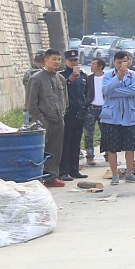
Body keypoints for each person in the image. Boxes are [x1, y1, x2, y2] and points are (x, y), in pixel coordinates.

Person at [99, 50, 135, 185]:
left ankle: (129, 173)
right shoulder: (107, 75)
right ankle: (114, 175)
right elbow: (106, 91)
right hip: (111, 117)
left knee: (130, 147)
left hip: (129, 116)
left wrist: (114, 92)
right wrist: (117, 78)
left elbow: (133, 91)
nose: (122, 65)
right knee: (112, 148)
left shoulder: (134, 75)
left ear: (128, 61)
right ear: (114, 62)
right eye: (119, 63)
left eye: (124, 62)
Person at [27, 49, 67, 187]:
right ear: (46, 60)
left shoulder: (61, 79)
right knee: (40, 150)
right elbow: (31, 103)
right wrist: (40, 118)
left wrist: (62, 114)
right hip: (43, 121)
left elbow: (65, 100)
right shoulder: (36, 78)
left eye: (59, 59)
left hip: (59, 120)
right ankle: (38, 178)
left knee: (55, 150)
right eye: (54, 59)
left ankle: (52, 178)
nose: (57, 62)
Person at [58, 49, 89, 180]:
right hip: (67, 114)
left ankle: (74, 169)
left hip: (80, 113)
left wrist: (85, 108)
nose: (74, 62)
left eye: (76, 60)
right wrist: (69, 81)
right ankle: (64, 171)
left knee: (76, 143)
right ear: (66, 61)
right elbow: (59, 92)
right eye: (71, 60)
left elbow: (85, 94)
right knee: (65, 143)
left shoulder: (82, 76)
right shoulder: (61, 76)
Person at [83, 57, 107, 167]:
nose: (91, 66)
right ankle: (90, 155)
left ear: (100, 66)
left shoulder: (107, 77)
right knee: (88, 133)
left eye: (94, 64)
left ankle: (108, 153)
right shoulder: (89, 79)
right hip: (91, 108)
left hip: (104, 108)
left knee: (106, 132)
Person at [22, 51, 45, 126]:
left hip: (29, 109)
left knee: (31, 134)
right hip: (42, 110)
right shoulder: (43, 74)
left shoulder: (28, 73)